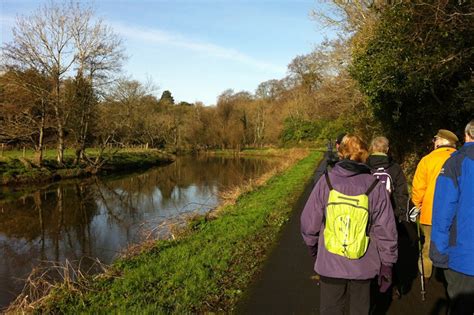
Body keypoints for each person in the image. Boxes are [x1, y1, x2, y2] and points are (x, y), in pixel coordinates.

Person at [301, 134, 398, 315]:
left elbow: (309, 222)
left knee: (330, 309)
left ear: (342, 154)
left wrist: (313, 248)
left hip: (331, 261)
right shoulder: (375, 186)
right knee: (360, 310)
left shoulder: (326, 181)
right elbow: (386, 230)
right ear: (364, 156)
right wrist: (387, 263)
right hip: (363, 264)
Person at [430, 120, 474, 314]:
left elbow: (443, 213)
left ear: (466, 135)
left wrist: (438, 252)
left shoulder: (456, 163)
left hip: (463, 256)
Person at [367, 136, 416, 300]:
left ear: (372, 149)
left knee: (370, 250)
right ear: (387, 150)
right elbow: (402, 195)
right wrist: (402, 216)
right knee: (391, 251)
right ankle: (394, 286)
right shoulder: (394, 168)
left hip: (370, 217)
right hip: (391, 217)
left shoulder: (364, 167)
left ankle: (372, 284)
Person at [411, 129, 458, 280]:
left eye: (435, 139)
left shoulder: (427, 160)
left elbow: (419, 188)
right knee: (454, 245)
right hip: (455, 213)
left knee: (429, 246)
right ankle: (451, 276)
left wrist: (417, 205)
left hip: (431, 212)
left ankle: (426, 275)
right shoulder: (461, 159)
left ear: (440, 141)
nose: (434, 142)